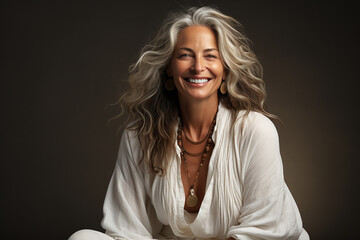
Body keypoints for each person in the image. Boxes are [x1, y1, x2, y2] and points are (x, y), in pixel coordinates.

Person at [69, 6, 309, 240]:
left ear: (225, 70)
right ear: (169, 69)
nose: (198, 66)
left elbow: (264, 229)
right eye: (185, 55)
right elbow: (126, 229)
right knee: (83, 238)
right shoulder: (139, 136)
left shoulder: (255, 129)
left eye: (210, 56)